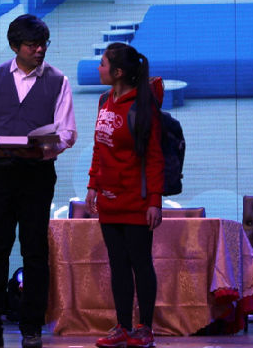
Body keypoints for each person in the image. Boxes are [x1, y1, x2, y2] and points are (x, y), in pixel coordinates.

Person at [0, 14, 77, 348]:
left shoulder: (58, 80)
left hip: (37, 174)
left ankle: (31, 328)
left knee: (35, 251)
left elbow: (68, 132)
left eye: (43, 44)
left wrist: (46, 149)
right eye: (32, 45)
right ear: (15, 46)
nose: (40, 50)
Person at [86, 43, 164, 348]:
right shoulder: (104, 100)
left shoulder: (143, 105)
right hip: (108, 200)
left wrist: (154, 200)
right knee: (118, 265)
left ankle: (145, 329)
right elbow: (99, 146)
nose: (99, 68)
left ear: (118, 72)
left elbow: (154, 157)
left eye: (103, 64)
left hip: (136, 201)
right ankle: (122, 327)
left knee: (140, 264)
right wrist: (93, 185)